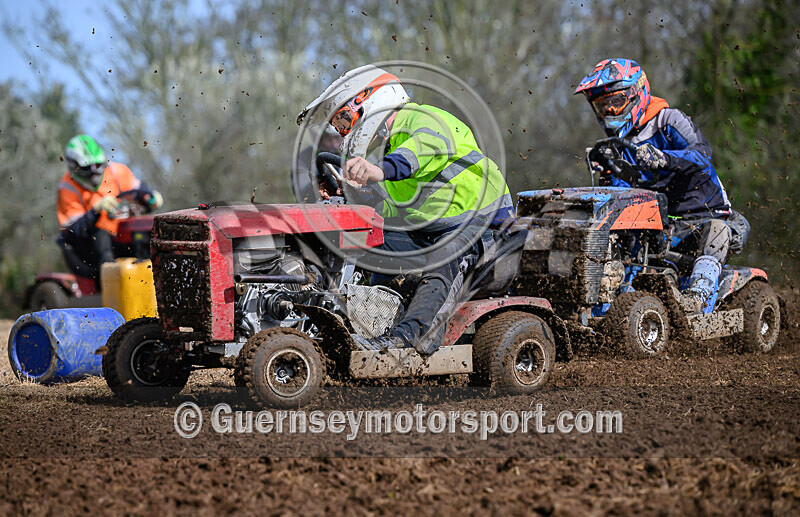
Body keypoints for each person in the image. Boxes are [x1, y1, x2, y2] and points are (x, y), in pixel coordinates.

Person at [296, 65, 514, 354]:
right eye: (339, 127)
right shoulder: (391, 147)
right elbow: (396, 210)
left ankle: (407, 340)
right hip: (433, 231)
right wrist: (356, 197)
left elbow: (427, 148)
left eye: (345, 120)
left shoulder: (421, 118)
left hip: (486, 228)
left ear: (369, 100)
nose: (343, 131)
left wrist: (379, 170)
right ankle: (368, 322)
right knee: (368, 242)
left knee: (444, 258)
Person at [575, 58, 750, 312]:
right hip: (662, 227)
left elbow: (702, 154)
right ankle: (605, 306)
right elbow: (620, 196)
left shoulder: (668, 120)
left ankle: (697, 299)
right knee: (619, 239)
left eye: (616, 101)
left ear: (636, 93)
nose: (610, 111)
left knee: (716, 231)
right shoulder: (618, 145)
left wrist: (664, 158)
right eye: (603, 105)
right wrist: (608, 172)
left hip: (707, 217)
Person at [56, 134, 163, 282]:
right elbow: (73, 232)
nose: (95, 171)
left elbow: (139, 191)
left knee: (144, 232)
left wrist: (150, 198)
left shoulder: (117, 172)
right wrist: (96, 210)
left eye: (98, 165)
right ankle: (111, 284)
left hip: (120, 238)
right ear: (74, 166)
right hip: (87, 250)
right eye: (88, 167)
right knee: (100, 235)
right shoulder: (67, 188)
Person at [292, 124, 343, 202]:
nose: (333, 144)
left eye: (336, 139)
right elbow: (301, 191)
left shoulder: (351, 154)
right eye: (328, 139)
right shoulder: (305, 157)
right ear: (321, 141)